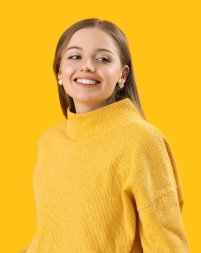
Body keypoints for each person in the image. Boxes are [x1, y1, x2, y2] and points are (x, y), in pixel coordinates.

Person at [18, 18, 190, 253]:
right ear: (59, 70)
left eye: (103, 59)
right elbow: (52, 234)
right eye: (75, 56)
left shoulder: (141, 141)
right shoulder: (50, 141)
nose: (87, 66)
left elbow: (166, 244)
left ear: (122, 75)